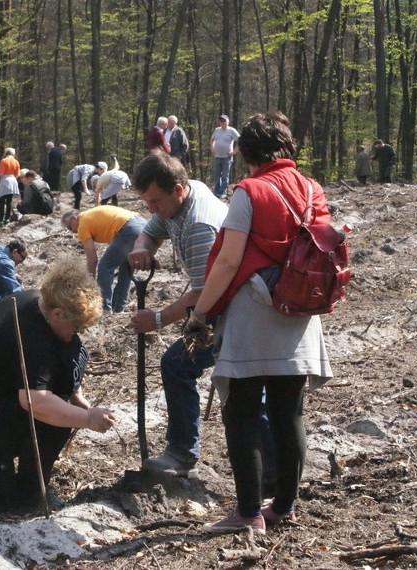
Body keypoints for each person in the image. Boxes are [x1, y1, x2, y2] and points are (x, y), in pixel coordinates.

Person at [185, 111, 333, 534]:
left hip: (254, 312)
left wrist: (200, 314)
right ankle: (283, 507)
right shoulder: (311, 188)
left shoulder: (249, 191)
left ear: (245, 152)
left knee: (243, 412)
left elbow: (229, 260)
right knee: (289, 413)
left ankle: (248, 512)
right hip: (300, 310)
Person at [0, 257, 116, 511]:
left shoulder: (45, 305)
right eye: (77, 326)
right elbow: (37, 402)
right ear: (58, 313)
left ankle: (31, 487)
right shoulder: (32, 336)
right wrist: (87, 417)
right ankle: (19, 491)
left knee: (63, 412)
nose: (78, 333)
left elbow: (62, 358)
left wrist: (75, 393)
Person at [126, 150, 227, 476]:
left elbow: (201, 293)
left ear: (178, 190)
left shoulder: (199, 225)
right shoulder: (177, 201)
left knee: (178, 364)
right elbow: (152, 230)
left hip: (229, 309)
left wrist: (156, 319)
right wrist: (143, 247)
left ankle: (183, 454)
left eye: (155, 201)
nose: (151, 209)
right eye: (147, 202)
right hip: (216, 301)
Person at [62, 206, 147, 313]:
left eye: (70, 228)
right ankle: (118, 307)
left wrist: (90, 284)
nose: (72, 232)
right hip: (143, 225)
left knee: (105, 267)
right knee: (126, 269)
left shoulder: (82, 224)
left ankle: (104, 308)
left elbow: (92, 260)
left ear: (74, 219)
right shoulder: (91, 215)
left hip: (128, 229)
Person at [0, 147, 20, 226]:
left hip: (6, 181)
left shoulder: (4, 161)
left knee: (1, 201)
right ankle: (7, 219)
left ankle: (0, 220)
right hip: (13, 181)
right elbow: (17, 175)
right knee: (9, 201)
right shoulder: (16, 162)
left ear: (6, 153)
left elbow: (0, 173)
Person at [210, 115, 240, 197]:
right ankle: (216, 191)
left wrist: (234, 152)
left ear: (228, 122)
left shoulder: (231, 131)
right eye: (221, 121)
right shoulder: (217, 130)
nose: (222, 122)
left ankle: (223, 192)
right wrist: (212, 147)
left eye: (224, 121)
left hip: (227, 157)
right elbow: (212, 139)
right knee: (216, 175)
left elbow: (240, 140)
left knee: (224, 176)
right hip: (217, 156)